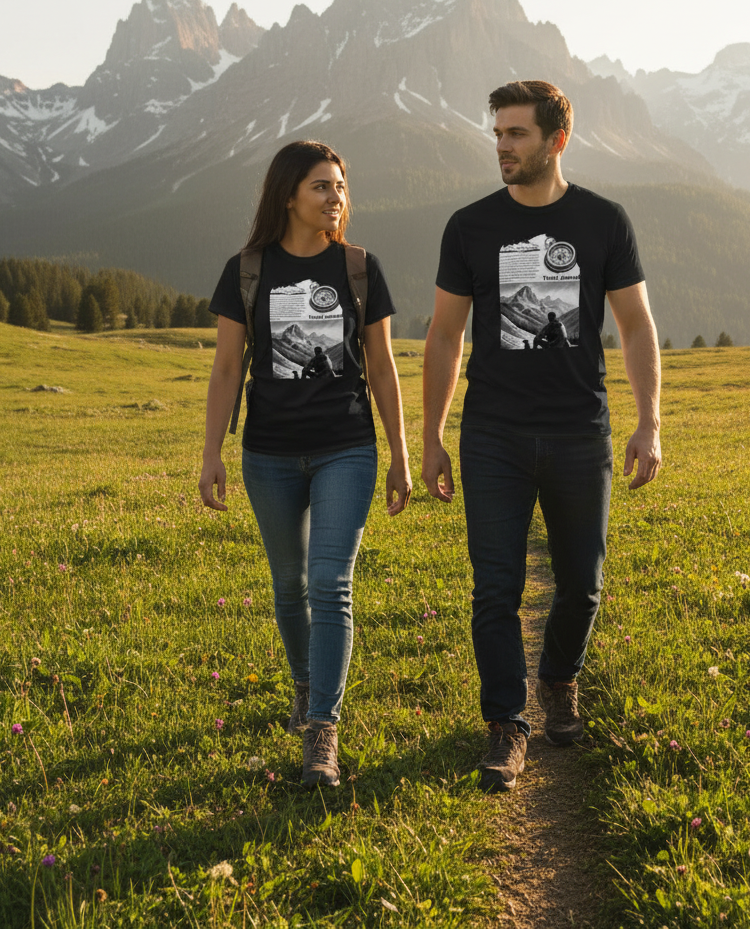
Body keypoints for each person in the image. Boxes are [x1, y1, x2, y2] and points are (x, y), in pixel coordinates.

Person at [421, 80, 661, 792]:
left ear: (556, 140)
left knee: (582, 586)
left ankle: (559, 678)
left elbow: (637, 325)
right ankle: (506, 723)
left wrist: (650, 422)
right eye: (497, 134)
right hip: (491, 433)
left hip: (579, 431)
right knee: (494, 588)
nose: (502, 146)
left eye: (517, 134)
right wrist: (431, 434)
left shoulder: (603, 221)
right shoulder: (469, 226)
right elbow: (444, 335)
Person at [200, 140, 412, 788]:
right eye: (322, 186)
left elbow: (381, 365)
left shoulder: (359, 267)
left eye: (341, 187)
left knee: (330, 583)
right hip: (267, 452)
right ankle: (304, 683)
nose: (335, 198)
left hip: (346, 446)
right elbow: (229, 367)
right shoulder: (247, 270)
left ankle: (323, 726)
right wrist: (211, 453)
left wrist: (401, 452)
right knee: (288, 585)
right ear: (289, 193)